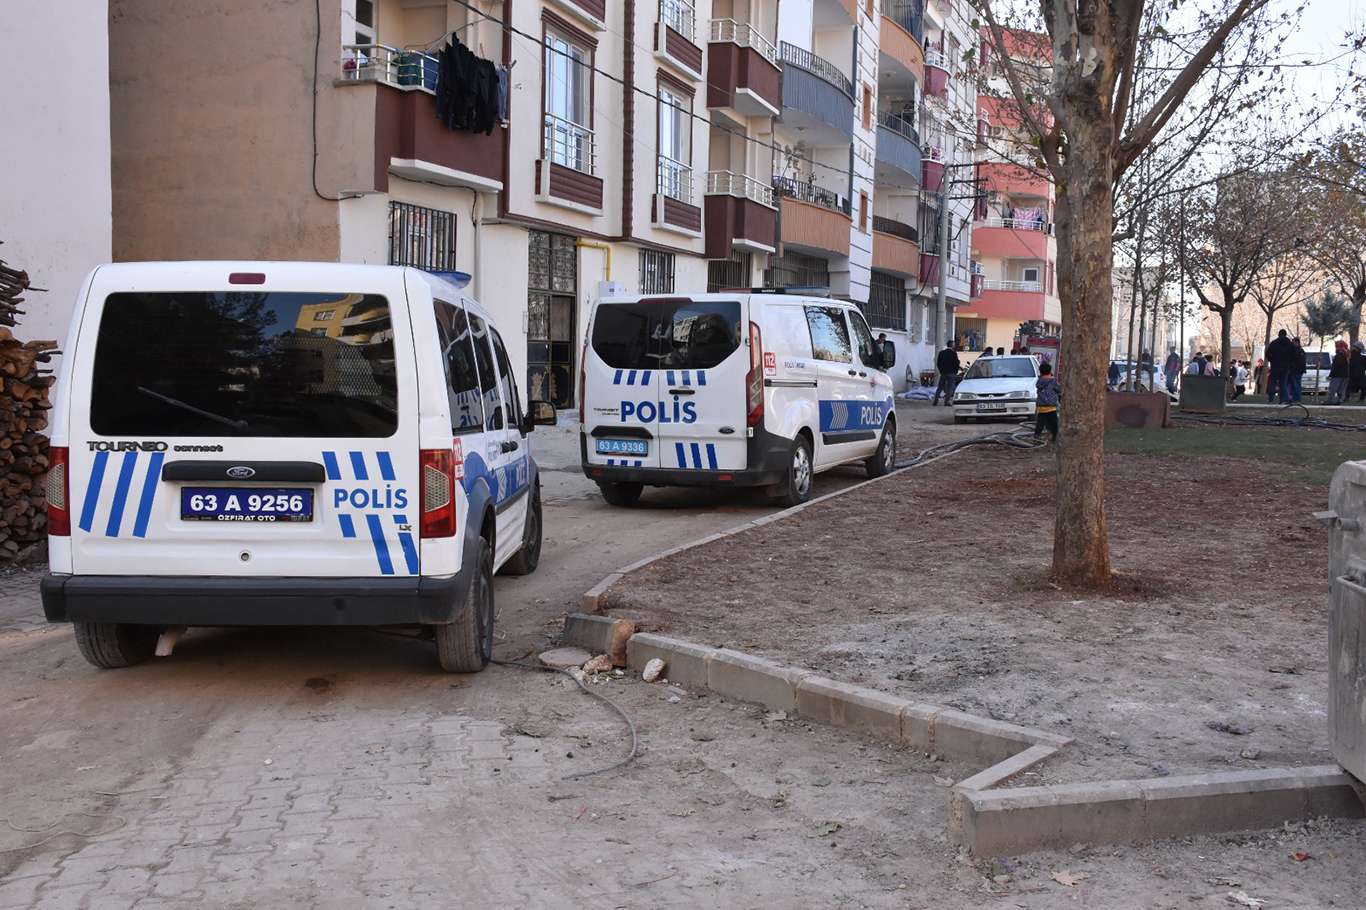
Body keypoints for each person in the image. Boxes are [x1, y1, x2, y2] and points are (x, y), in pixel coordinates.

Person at [1265, 329, 1295, 404]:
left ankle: (1271, 399)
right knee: (1283, 383)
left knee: (1272, 382)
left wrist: (1272, 360)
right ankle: (1282, 400)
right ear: (1285, 334)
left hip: (1275, 366)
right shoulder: (1290, 344)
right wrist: (1289, 363)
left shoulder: (1274, 343)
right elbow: (1293, 355)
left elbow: (1268, 354)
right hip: (1285, 367)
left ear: (1279, 334)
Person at [1034, 362, 1061, 442]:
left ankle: (1036, 437)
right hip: (1051, 407)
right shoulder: (1053, 381)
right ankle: (1054, 438)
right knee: (1054, 425)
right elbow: (1059, 390)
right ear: (1050, 371)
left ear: (1040, 372)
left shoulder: (1039, 382)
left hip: (1041, 408)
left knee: (1040, 424)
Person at [933, 340, 960, 406]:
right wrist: (956, 371)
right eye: (954, 344)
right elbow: (956, 364)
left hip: (943, 373)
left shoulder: (941, 353)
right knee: (949, 388)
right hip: (951, 373)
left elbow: (938, 363)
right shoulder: (954, 353)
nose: (954, 345)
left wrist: (941, 371)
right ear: (952, 345)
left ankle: (935, 401)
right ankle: (947, 402)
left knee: (940, 387)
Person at [1328, 340, 1349, 404]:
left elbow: (1335, 366)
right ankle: (1340, 400)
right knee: (1341, 389)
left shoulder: (1339, 355)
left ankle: (1331, 400)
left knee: (1333, 388)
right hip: (1345, 375)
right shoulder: (1347, 354)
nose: (1335, 347)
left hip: (1337, 375)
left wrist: (1331, 375)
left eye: (1336, 346)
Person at [1291, 337, 1307, 403]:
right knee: (1297, 384)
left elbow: (1296, 361)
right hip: (1299, 370)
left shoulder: (1296, 350)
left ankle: (1296, 399)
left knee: (1296, 385)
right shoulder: (1301, 350)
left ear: (1296, 342)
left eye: (1293, 342)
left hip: (1296, 370)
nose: (1292, 344)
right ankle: (1297, 398)